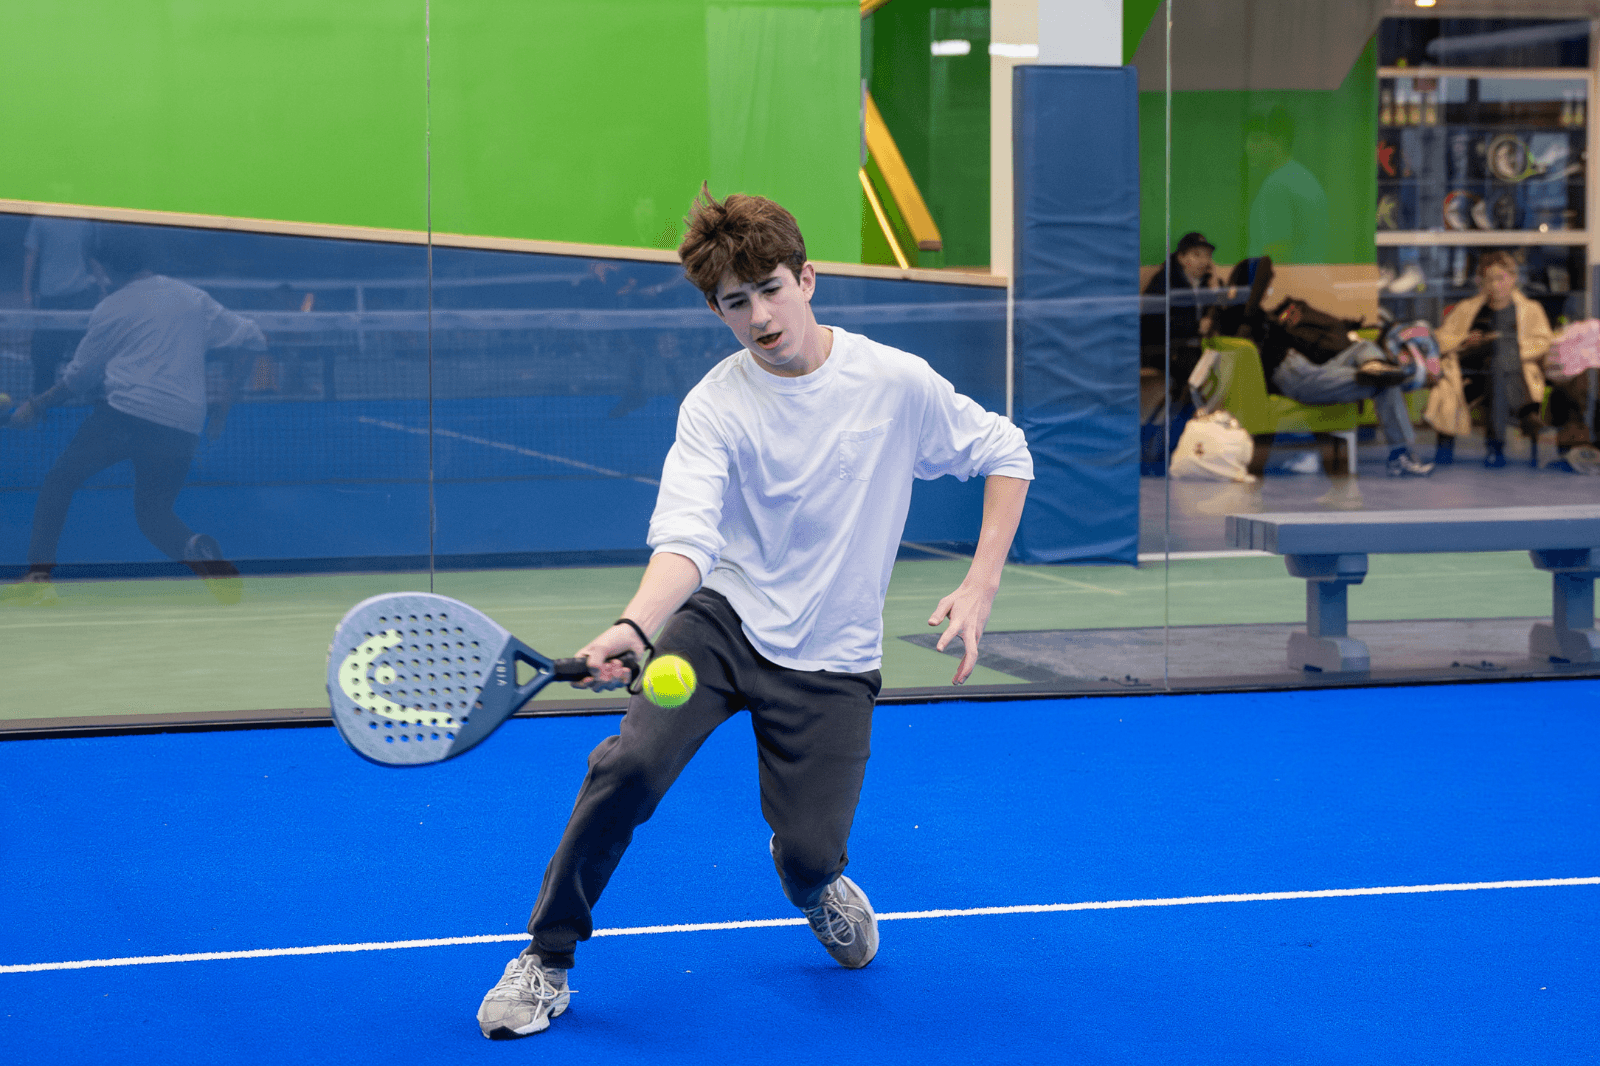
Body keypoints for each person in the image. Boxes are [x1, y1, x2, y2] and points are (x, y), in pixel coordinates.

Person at [475, 187, 1033, 1040]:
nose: (760, 314)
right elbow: (688, 540)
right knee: (625, 767)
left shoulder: (893, 383)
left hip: (835, 658)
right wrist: (634, 628)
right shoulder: (715, 405)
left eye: (771, 288)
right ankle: (546, 959)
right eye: (736, 302)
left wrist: (983, 580)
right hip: (718, 629)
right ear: (716, 310)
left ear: (808, 279)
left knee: (811, 853)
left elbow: (1005, 450)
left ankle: (810, 884)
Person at [2, 225, 265, 607]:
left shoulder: (111, 307)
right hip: (182, 426)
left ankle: (39, 576)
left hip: (125, 417)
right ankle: (194, 546)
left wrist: (35, 405)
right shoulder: (193, 299)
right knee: (154, 513)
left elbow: (77, 379)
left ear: (105, 264)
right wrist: (223, 406)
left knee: (59, 481)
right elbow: (255, 338)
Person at [1248, 296, 1434, 477]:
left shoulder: (1280, 319)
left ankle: (1373, 364)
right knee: (1386, 381)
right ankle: (1400, 456)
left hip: (1315, 366)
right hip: (1299, 376)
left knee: (1365, 349)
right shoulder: (1256, 325)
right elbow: (1262, 270)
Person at [1428, 251, 1553, 468]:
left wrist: (1512, 347)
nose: (1496, 286)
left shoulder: (1530, 309)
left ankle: (1496, 447)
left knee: (1498, 362)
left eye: (1501, 279)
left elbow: (1542, 342)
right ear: (1482, 282)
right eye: (1490, 280)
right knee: (1496, 353)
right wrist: (1467, 340)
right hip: (1472, 375)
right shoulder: (1468, 308)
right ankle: (1515, 426)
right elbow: (1442, 338)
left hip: (1512, 372)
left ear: (1513, 279)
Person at [22, 215, 106, 397]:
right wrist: (27, 293)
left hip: (80, 299)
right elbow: (31, 255)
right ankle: (40, 411)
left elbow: (88, 254)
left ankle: (94, 405)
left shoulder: (84, 220)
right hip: (50, 301)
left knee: (88, 360)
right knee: (43, 363)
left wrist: (102, 285)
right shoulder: (40, 220)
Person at [1141, 231, 1224, 391]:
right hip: (1162, 347)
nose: (1203, 261)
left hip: (1191, 345)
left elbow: (1214, 318)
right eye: (1196, 255)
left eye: (1207, 256)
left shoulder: (1204, 284)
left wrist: (1216, 293)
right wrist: (1195, 326)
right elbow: (1153, 324)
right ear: (1181, 258)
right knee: (1199, 367)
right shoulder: (1164, 283)